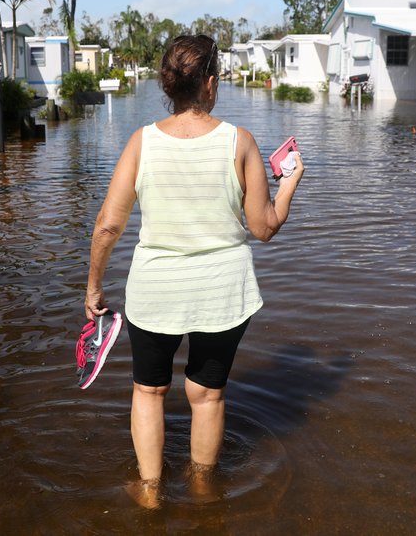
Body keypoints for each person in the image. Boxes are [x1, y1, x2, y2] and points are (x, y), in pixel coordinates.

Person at [84, 34, 304, 508]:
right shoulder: (239, 141)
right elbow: (264, 228)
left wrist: (94, 286)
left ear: (169, 84)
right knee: (207, 396)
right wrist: (289, 184)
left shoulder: (141, 142)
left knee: (149, 390)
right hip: (223, 292)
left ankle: (148, 492)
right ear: (209, 82)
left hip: (155, 290)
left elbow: (107, 226)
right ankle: (204, 489)